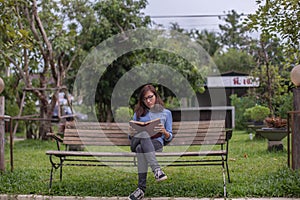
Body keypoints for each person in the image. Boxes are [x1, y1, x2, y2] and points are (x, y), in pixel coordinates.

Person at [128, 84, 173, 200]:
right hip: (136, 142)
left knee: (140, 149)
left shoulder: (166, 113)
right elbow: (130, 136)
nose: (148, 101)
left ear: (156, 96)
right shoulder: (138, 113)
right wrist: (132, 132)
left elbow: (169, 136)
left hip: (156, 144)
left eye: (150, 97)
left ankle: (140, 190)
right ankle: (157, 170)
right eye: (144, 99)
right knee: (143, 135)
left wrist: (164, 132)